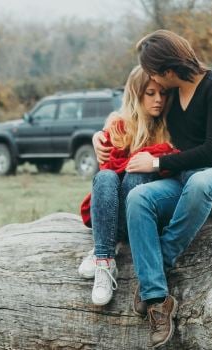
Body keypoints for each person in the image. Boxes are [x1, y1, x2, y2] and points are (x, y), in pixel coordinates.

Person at [114, 30, 212, 348]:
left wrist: (158, 165)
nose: (154, 82)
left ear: (168, 69)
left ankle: (156, 267)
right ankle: (159, 301)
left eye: (154, 72)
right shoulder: (171, 96)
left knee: (201, 182)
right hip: (184, 180)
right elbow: (133, 112)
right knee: (138, 197)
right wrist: (101, 134)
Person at [77, 65, 179, 306]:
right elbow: (108, 168)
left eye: (163, 94)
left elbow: (172, 162)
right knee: (105, 177)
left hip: (142, 216)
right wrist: (99, 137)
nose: (158, 100)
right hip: (112, 210)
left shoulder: (170, 126)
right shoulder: (119, 125)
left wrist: (150, 160)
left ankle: (103, 248)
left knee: (135, 176)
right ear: (136, 94)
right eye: (151, 93)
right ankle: (104, 261)